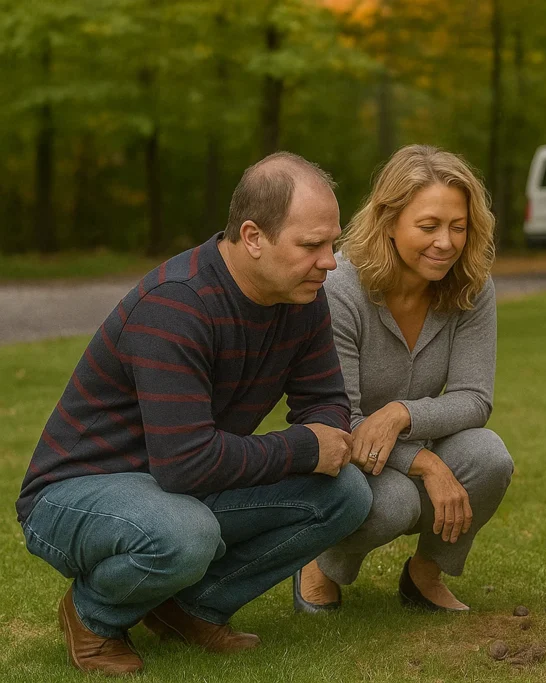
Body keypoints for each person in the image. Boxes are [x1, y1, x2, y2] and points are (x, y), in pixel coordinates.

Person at [16, 151, 373, 676]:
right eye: (311, 245)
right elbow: (186, 463)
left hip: (174, 484)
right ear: (253, 237)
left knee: (345, 495)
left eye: (332, 243)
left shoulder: (302, 297)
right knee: (186, 533)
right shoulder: (176, 304)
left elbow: (324, 401)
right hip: (75, 492)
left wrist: (327, 434)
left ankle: (189, 608)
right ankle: (92, 617)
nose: (330, 261)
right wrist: (304, 446)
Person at [292, 144, 513, 614]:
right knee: (394, 503)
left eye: (458, 227)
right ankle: (318, 562)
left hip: (406, 439)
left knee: (489, 456)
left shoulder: (472, 284)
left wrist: (400, 414)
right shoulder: (340, 291)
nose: (446, 243)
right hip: (341, 455)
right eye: (428, 226)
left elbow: (475, 399)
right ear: (390, 222)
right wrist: (428, 466)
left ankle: (424, 575)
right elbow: (343, 419)